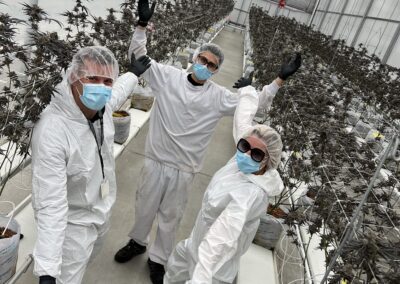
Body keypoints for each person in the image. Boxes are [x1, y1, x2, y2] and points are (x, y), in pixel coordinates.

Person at [114, 1, 301, 283]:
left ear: (215, 71)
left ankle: (158, 259)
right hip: (156, 159)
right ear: (195, 58)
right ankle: (137, 242)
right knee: (144, 207)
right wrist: (141, 26)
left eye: (211, 65)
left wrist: (278, 81)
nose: (205, 66)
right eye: (202, 60)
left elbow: (254, 106)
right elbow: (138, 58)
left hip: (185, 168)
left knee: (170, 217)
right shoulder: (167, 77)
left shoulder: (218, 96)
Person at [30, 46, 151, 284]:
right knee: (68, 277)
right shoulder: (52, 131)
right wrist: (48, 270)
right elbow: (50, 204)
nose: (101, 86)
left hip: (101, 207)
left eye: (107, 80)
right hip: (72, 225)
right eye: (92, 78)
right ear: (74, 77)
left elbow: (116, 93)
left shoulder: (100, 106)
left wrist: (132, 74)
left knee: (89, 258)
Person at [163, 83, 284, 284]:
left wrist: (201, 277)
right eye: (244, 146)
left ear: (267, 161)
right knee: (176, 270)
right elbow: (242, 122)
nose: (246, 153)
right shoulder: (244, 163)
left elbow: (221, 238)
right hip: (196, 241)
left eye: (256, 153)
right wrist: (248, 91)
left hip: (214, 266)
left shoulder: (250, 194)